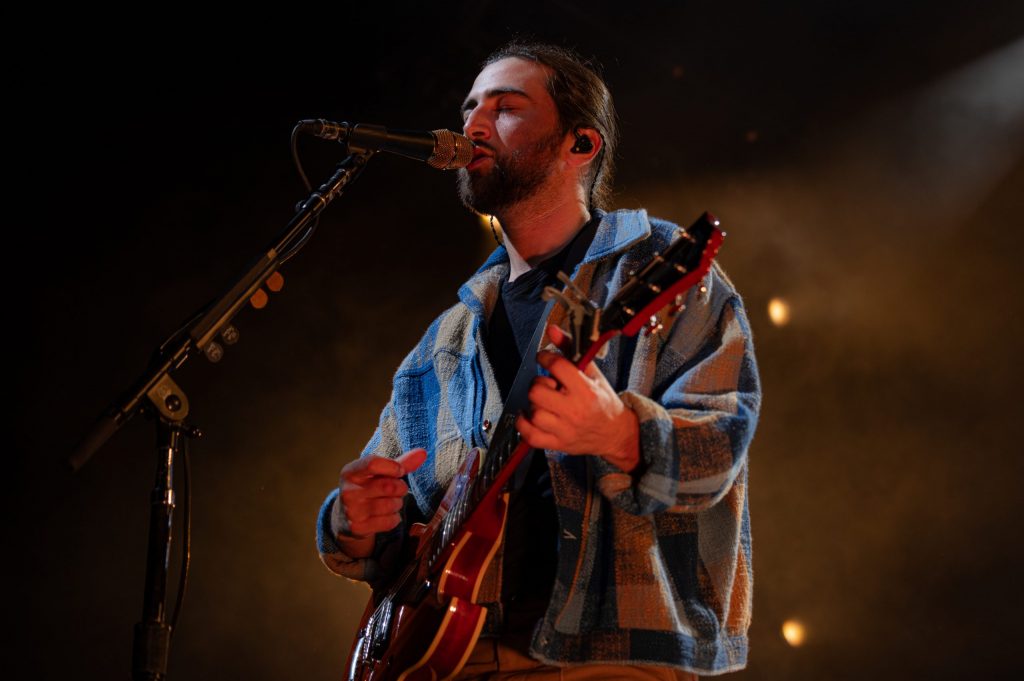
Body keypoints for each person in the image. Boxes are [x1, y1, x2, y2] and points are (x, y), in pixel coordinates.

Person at [316, 41, 761, 679]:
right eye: (470, 107)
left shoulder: (661, 266)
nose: (471, 124)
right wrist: (354, 522)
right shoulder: (445, 340)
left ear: (580, 145)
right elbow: (390, 522)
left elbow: (723, 442)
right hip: (449, 656)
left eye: (505, 108)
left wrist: (620, 435)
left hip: (612, 653)